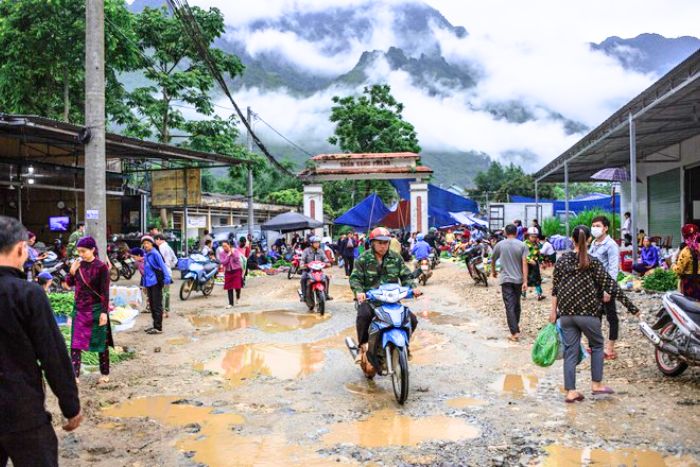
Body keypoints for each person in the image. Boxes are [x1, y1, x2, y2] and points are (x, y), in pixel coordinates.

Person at [0, 216, 82, 467]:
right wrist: (70, 406)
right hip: (21, 410)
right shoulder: (27, 294)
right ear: (21, 248)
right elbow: (52, 354)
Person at [550, 225, 639, 403]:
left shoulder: (562, 261)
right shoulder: (593, 262)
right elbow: (611, 286)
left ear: (572, 240)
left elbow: (555, 289)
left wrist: (553, 312)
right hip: (588, 315)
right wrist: (632, 308)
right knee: (598, 345)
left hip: (566, 315)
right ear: (589, 240)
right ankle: (596, 385)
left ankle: (570, 392)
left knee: (570, 351)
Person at [350, 227, 421, 362]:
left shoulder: (396, 258)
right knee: (363, 316)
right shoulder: (363, 259)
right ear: (372, 243)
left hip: (392, 301)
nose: (383, 246)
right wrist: (359, 292)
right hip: (371, 301)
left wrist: (413, 288)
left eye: (385, 243)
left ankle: (404, 345)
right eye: (379, 243)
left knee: (412, 319)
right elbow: (355, 278)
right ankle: (362, 347)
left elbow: (406, 276)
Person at [65, 236, 112, 384]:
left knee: (101, 343)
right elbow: (69, 283)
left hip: (97, 309)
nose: (81, 254)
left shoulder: (101, 267)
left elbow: (105, 291)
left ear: (92, 250)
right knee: (75, 344)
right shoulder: (78, 265)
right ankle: (75, 375)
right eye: (79, 251)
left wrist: (104, 312)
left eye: (83, 251)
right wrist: (71, 272)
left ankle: (105, 374)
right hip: (79, 309)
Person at [588, 215, 621, 359]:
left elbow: (614, 269)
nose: (595, 228)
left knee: (611, 317)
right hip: (594, 287)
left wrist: (609, 289)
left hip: (606, 286)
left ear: (605, 228)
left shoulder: (611, 245)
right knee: (595, 316)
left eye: (598, 226)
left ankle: (610, 349)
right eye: (593, 226)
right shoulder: (594, 243)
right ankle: (596, 346)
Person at [491, 224, 529, 341]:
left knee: (509, 305)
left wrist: (493, 271)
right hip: (518, 279)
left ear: (505, 233)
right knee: (516, 304)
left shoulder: (500, 245)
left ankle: (514, 332)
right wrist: (525, 281)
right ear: (516, 233)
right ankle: (515, 328)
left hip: (506, 279)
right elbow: (524, 263)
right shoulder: (522, 245)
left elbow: (493, 259)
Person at [141, 235, 172, 334]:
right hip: (149, 283)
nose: (145, 245)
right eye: (144, 243)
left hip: (156, 282)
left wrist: (167, 279)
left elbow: (163, 267)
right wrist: (144, 285)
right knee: (152, 305)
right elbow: (146, 271)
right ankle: (155, 325)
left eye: (147, 243)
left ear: (151, 244)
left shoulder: (155, 253)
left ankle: (158, 328)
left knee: (157, 305)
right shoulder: (147, 254)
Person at [673, 223, 700, 300]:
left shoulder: (686, 251)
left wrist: (673, 265)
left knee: (690, 305)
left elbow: (678, 271)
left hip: (690, 284)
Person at [300, 236, 331, 302]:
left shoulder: (320, 251)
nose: (317, 244)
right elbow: (302, 260)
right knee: (303, 278)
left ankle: (326, 294)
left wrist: (327, 263)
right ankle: (304, 295)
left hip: (318, 271)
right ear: (311, 243)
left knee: (326, 278)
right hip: (308, 270)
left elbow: (325, 259)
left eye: (318, 243)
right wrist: (302, 264)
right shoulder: (306, 251)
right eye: (315, 243)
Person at [154, 234, 178, 319]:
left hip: (162, 273)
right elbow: (175, 260)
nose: (155, 242)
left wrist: (164, 266)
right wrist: (169, 266)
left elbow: (158, 260)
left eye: (155, 240)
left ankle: (163, 311)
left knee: (162, 292)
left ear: (159, 239)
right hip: (168, 271)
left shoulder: (161, 247)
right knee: (166, 292)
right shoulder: (168, 247)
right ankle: (166, 311)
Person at [218, 240, 243, 308]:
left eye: (225, 246)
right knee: (229, 287)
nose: (224, 247)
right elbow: (223, 262)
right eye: (223, 246)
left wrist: (232, 253)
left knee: (237, 286)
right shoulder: (222, 253)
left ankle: (238, 296)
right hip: (228, 271)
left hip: (237, 270)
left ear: (229, 245)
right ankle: (230, 303)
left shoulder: (235, 250)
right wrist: (228, 256)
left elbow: (237, 259)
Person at [524, 227, 545, 301]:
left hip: (535, 265)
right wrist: (529, 260)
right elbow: (521, 255)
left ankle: (539, 294)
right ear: (528, 236)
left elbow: (539, 254)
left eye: (535, 237)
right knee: (525, 279)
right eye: (532, 237)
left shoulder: (537, 244)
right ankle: (523, 294)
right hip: (526, 265)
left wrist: (542, 261)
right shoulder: (524, 244)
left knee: (537, 279)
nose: (534, 238)